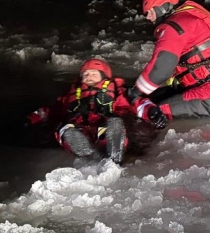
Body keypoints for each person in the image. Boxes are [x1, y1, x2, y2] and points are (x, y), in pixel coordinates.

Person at [126, 0, 210, 120]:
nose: (148, 17)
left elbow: (162, 67)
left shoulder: (173, 27)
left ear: (162, 8)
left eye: (150, 12)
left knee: (151, 112)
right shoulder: (187, 16)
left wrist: (136, 91)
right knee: (149, 99)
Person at [27, 58, 161, 165]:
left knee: (115, 123)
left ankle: (114, 156)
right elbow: (51, 110)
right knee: (65, 129)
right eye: (86, 74)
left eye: (94, 74)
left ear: (104, 76)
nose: (89, 76)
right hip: (80, 128)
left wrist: (152, 111)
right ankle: (90, 157)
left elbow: (138, 103)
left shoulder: (116, 91)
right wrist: (32, 118)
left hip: (104, 126)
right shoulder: (72, 94)